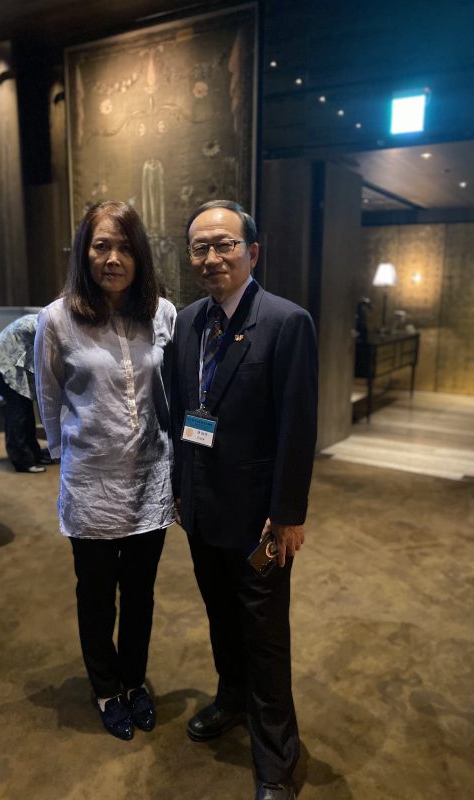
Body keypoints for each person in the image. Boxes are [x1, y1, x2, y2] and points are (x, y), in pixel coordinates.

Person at [172, 200, 318, 800]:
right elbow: (181, 413)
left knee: (264, 634)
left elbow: (297, 426)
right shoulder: (187, 323)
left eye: (225, 244)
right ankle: (231, 699)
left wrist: (288, 514)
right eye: (200, 247)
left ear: (252, 252)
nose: (212, 257)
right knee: (220, 618)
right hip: (202, 509)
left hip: (260, 520)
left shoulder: (286, 322)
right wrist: (180, 490)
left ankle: (277, 758)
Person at [34, 200, 176, 741]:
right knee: (96, 594)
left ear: (140, 256)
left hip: (149, 478)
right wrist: (60, 455)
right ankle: (106, 687)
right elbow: (48, 394)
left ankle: (134, 680)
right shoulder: (57, 318)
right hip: (91, 482)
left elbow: (169, 392)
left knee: (140, 592)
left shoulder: (162, 313)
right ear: (84, 252)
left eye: (124, 247)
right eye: (101, 246)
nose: (113, 258)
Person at [0, 313, 50, 473]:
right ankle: (22, 460)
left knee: (26, 409)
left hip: (14, 357)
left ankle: (34, 454)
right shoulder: (49, 327)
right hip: (3, 360)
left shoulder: (50, 321)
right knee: (16, 410)